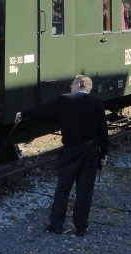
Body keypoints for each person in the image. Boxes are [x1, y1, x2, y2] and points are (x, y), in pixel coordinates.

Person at [15, 74, 110, 236]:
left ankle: (56, 225)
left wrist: (22, 114)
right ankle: (81, 227)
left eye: (72, 84)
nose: (70, 87)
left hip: (71, 150)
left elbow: (43, 110)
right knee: (84, 191)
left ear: (79, 84)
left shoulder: (65, 100)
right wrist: (104, 153)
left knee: (63, 188)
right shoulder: (96, 103)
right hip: (90, 151)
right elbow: (103, 131)